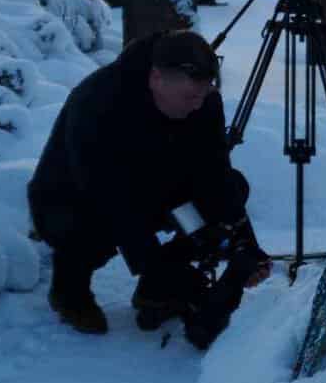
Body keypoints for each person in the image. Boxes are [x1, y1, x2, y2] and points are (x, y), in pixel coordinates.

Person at [28, 29, 270, 338]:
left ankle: (156, 290)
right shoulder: (99, 100)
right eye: (190, 97)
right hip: (74, 195)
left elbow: (215, 172)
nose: (198, 105)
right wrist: (155, 265)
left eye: (204, 95)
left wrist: (244, 242)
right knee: (90, 227)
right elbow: (107, 195)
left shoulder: (203, 99)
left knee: (230, 190)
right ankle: (68, 289)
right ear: (156, 78)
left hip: (150, 185)